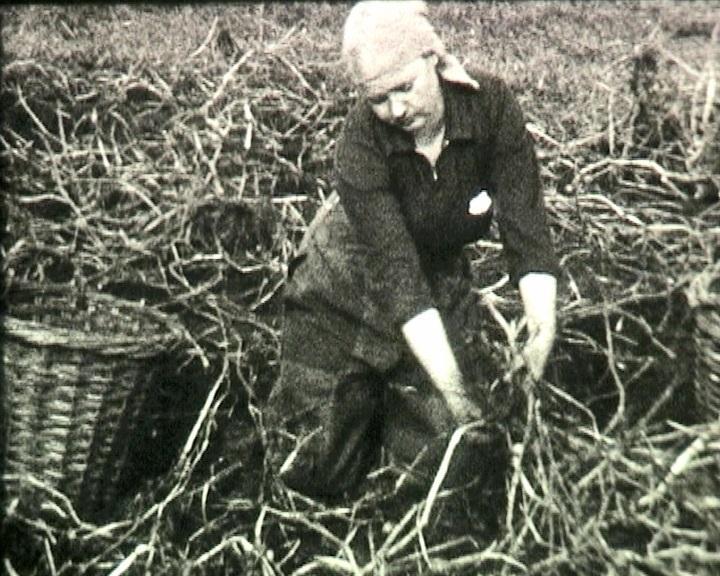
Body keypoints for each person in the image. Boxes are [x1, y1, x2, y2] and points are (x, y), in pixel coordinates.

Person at [264, 1, 559, 510]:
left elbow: (526, 227)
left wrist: (542, 327)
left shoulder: (491, 107)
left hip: (436, 272)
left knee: (448, 463)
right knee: (311, 468)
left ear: (434, 59)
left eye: (405, 87)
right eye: (378, 98)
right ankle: (350, 409)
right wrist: (454, 392)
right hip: (347, 278)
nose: (396, 110)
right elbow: (397, 276)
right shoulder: (360, 141)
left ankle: (392, 414)